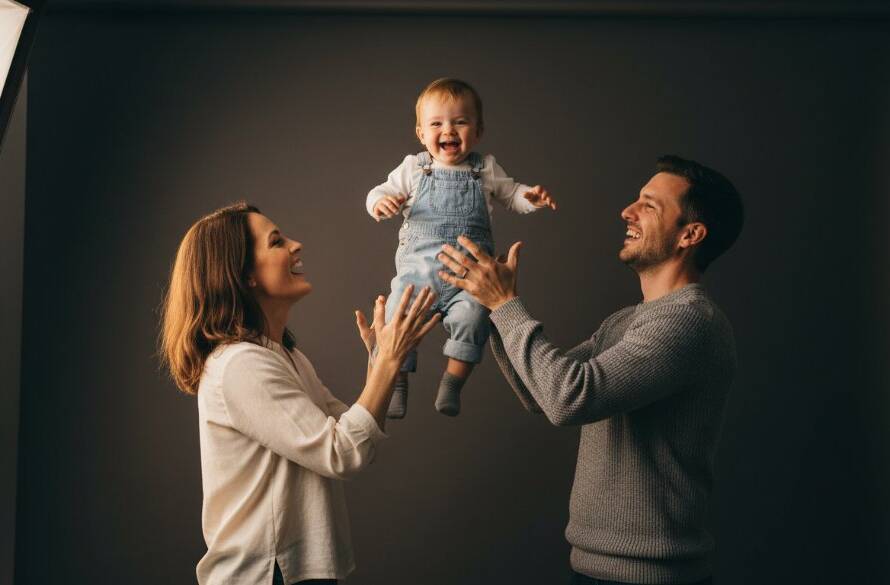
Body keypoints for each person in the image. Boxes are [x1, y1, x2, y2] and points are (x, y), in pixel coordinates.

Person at [438, 155, 744, 584]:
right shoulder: (625, 321)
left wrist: (504, 304)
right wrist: (486, 307)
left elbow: (568, 397)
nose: (627, 211)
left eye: (649, 205)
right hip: (593, 568)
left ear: (690, 235)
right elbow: (541, 396)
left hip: (649, 577)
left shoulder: (690, 320)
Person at [159, 202, 440, 585]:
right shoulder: (241, 365)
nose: (296, 245)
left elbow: (355, 429)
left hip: (293, 573)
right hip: (267, 574)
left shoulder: (285, 356)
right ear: (244, 276)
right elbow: (344, 452)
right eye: (277, 242)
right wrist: (388, 363)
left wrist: (382, 362)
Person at [366, 77, 557, 419]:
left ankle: (453, 382)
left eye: (460, 122)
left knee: (475, 318)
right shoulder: (414, 168)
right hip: (417, 278)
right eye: (436, 123)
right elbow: (377, 193)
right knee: (396, 315)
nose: (448, 130)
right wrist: (381, 203)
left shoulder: (485, 169)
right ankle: (396, 380)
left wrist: (532, 198)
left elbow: (512, 194)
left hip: (468, 281)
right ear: (422, 134)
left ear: (478, 131)